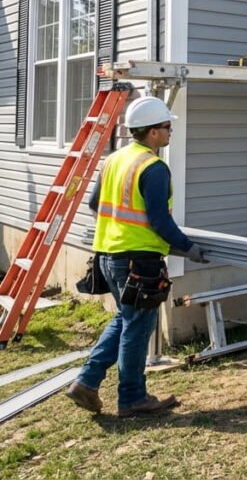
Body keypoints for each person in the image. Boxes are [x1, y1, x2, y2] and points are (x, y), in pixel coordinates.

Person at [66, 97, 207, 417]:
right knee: (137, 327)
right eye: (167, 127)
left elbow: (93, 204)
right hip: (138, 261)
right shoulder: (153, 167)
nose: (171, 131)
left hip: (108, 255)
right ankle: (132, 398)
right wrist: (187, 247)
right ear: (153, 132)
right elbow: (158, 220)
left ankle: (87, 382)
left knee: (127, 319)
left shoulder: (114, 160)